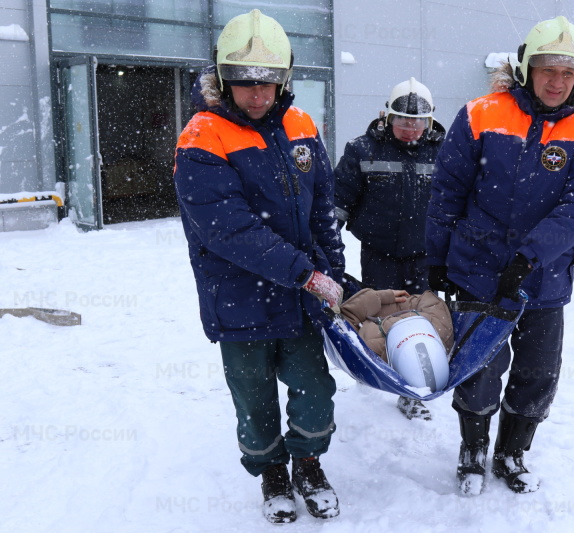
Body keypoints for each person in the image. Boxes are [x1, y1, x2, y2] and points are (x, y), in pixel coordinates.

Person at [426, 16, 574, 496]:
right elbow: (447, 191)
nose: (557, 81)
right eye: (548, 69)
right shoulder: (481, 113)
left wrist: (530, 256)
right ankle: (472, 450)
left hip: (544, 278)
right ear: (526, 67)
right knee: (478, 367)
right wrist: (436, 258)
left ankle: (512, 453)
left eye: (568, 73)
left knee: (537, 373)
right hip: (477, 270)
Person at [172, 10, 344, 524]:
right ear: (223, 79)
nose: (257, 95)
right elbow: (227, 229)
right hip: (240, 299)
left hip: (301, 297)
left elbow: (322, 208)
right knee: (254, 398)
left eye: (269, 83)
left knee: (315, 390)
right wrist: (306, 273)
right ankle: (271, 470)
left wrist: (335, 270)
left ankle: (308, 463)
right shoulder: (202, 135)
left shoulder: (301, 124)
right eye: (245, 83)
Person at [334, 77, 446, 420]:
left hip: (424, 256)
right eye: (402, 120)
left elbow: (457, 205)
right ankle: (379, 372)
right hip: (379, 253)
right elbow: (338, 203)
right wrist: (327, 249)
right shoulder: (362, 150)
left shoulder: (444, 152)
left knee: (419, 320)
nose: (410, 128)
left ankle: (414, 387)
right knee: (383, 315)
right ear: (387, 115)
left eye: (417, 122)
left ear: (429, 121)